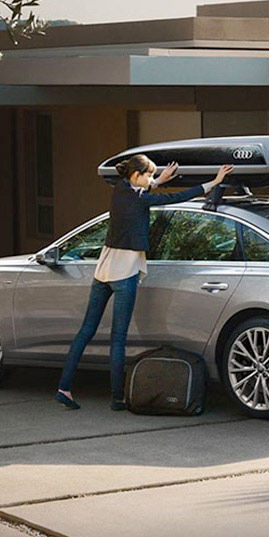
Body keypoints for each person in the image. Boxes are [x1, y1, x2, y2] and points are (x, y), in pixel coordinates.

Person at [55, 156, 234, 410]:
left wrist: (158, 180)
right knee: (118, 338)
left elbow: (142, 190)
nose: (151, 180)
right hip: (124, 273)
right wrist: (214, 182)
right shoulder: (141, 199)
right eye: (148, 175)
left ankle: (64, 388)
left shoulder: (120, 191)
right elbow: (175, 198)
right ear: (136, 175)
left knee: (86, 331)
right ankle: (117, 398)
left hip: (103, 271)